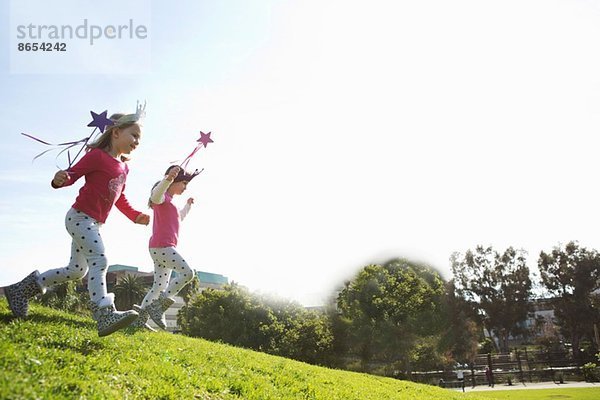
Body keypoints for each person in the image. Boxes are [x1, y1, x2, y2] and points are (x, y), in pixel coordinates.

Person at [4, 109, 150, 337]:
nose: (137, 142)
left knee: (76, 270)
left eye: (139, 139)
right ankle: (104, 314)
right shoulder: (96, 156)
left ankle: (21, 290)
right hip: (79, 218)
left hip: (93, 223)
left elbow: (119, 196)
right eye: (134, 135)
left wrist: (135, 216)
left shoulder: (124, 167)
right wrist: (59, 179)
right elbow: (72, 175)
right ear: (116, 132)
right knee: (100, 259)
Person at [131, 165, 198, 330]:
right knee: (188, 273)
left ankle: (139, 320)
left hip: (159, 248)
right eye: (183, 183)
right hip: (163, 247)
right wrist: (167, 178)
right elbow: (156, 195)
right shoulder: (161, 199)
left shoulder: (171, 204)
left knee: (158, 286)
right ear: (173, 182)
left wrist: (188, 206)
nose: (185, 188)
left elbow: (179, 217)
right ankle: (159, 306)